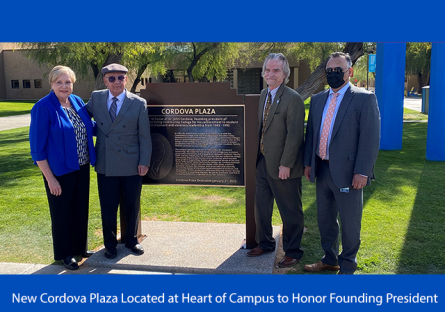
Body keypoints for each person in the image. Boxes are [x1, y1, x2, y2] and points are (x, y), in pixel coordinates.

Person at [303, 52, 380, 275]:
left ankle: (347, 266)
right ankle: (329, 259)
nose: (333, 74)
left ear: (350, 72)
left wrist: (363, 172)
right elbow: (312, 135)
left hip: (349, 173)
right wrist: (309, 163)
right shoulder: (318, 99)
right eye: (329, 71)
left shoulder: (364, 99)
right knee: (325, 220)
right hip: (322, 170)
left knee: (350, 224)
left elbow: (370, 138)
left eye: (338, 70)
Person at [29, 65, 96, 270]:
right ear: (51, 84)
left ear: (73, 83)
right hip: (59, 171)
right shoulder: (44, 107)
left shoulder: (76, 102)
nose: (64, 86)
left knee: (80, 208)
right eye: (59, 82)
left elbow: (90, 127)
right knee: (61, 214)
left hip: (81, 166)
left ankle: (79, 249)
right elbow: (37, 148)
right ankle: (65, 254)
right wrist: (50, 179)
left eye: (68, 82)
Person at [86, 63, 152, 259]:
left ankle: (132, 241)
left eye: (121, 78)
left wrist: (144, 161)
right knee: (108, 205)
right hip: (106, 162)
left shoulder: (138, 102)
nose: (116, 82)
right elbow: (81, 117)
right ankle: (110, 244)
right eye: (112, 78)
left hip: (132, 162)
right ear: (105, 80)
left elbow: (144, 136)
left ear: (126, 80)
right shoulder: (96, 98)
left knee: (132, 203)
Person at [246, 53, 305, 268]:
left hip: (283, 166)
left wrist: (286, 164)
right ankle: (265, 243)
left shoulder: (293, 98)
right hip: (262, 163)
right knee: (261, 207)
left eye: (276, 70)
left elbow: (295, 135)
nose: (270, 74)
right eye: (268, 70)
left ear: (285, 73)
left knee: (290, 211)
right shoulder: (263, 94)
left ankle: (293, 251)